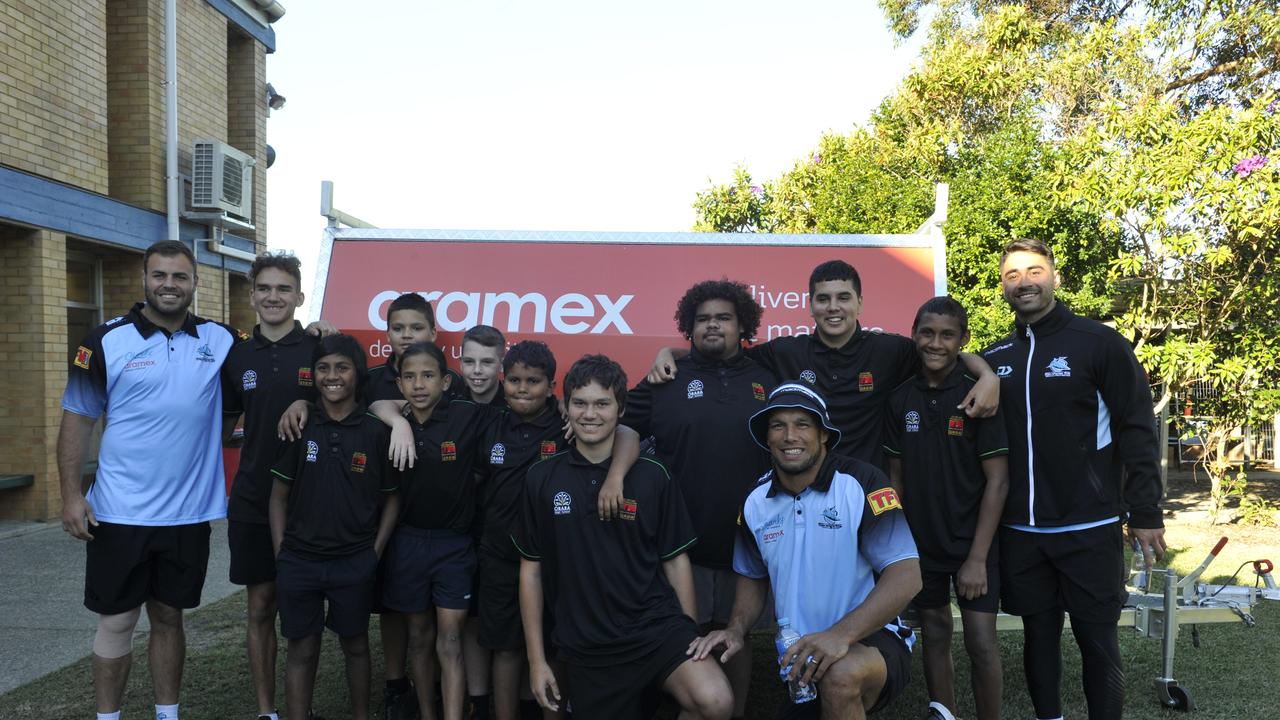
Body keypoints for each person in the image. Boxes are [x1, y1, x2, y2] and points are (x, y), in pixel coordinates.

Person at [982, 239, 1166, 720]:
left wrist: (1145, 512)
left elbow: (1138, 428)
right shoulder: (995, 357)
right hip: (1022, 531)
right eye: (1012, 275)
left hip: (1089, 525)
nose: (1024, 282)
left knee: (1096, 639)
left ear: (1055, 278)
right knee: (1038, 635)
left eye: (1035, 271)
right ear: (1003, 285)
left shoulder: (1098, 342)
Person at [58, 240, 243, 720]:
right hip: (119, 511)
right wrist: (71, 495)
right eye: (160, 275)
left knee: (168, 617)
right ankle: (107, 716)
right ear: (144, 279)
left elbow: (274, 352)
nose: (169, 285)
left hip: (188, 513)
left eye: (180, 277)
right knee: (117, 620)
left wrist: (321, 331)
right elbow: (76, 421)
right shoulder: (103, 341)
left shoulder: (221, 340)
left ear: (195, 282)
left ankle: (167, 714)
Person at [514, 355, 733, 720]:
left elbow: (675, 560)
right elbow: (530, 572)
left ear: (621, 409)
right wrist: (537, 661)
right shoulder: (542, 478)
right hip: (587, 642)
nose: (590, 414)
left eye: (602, 404)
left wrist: (689, 633)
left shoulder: (652, 475)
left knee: (715, 700)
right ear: (565, 408)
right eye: (580, 404)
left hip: (656, 630)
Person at [689, 383, 921, 720]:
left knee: (840, 679)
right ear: (766, 437)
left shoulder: (862, 482)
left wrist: (840, 636)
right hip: (800, 659)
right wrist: (736, 629)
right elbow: (752, 578)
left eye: (802, 424)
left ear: (823, 434)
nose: (789, 436)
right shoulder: (755, 501)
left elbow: (907, 576)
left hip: (871, 639)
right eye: (778, 426)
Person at [648, 261, 999, 467]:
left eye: (843, 298)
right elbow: (725, 353)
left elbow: (942, 352)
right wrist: (671, 352)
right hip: (804, 492)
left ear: (859, 303)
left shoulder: (890, 350)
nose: (834, 307)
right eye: (824, 298)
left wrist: (986, 375)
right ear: (811, 305)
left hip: (866, 493)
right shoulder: (786, 352)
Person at [620, 278, 774, 720]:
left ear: (742, 324)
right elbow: (626, 426)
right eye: (702, 318)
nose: (712, 325)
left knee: (734, 639)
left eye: (723, 318)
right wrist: (614, 474)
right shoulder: (665, 377)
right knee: (680, 640)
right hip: (676, 546)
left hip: (747, 543)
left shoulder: (767, 375)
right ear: (688, 326)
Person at [883, 297, 1009, 720]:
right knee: (935, 630)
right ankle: (945, 715)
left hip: (974, 543)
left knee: (980, 640)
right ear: (915, 334)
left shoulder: (978, 395)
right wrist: (903, 543)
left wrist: (976, 557)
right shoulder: (900, 398)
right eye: (927, 333)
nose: (935, 343)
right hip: (922, 544)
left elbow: (998, 479)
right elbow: (896, 478)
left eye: (947, 335)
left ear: (963, 341)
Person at [269, 333, 401, 720]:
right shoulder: (300, 423)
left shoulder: (376, 431)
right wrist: (281, 553)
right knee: (302, 648)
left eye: (341, 367)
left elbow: (392, 498)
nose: (332, 376)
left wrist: (373, 552)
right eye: (323, 368)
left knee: (356, 645)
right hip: (299, 560)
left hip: (354, 560)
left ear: (357, 374)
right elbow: (277, 495)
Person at [220, 252, 318, 720]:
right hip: (254, 499)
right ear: (253, 293)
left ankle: (300, 706)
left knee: (301, 612)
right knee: (260, 607)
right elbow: (221, 426)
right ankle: (266, 711)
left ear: (299, 296)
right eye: (264, 288)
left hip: (312, 500)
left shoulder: (320, 348)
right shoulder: (236, 355)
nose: (273, 297)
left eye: (283, 289)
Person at [473, 341, 571, 720]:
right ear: (503, 381)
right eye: (514, 380)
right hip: (498, 555)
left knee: (555, 644)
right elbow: (477, 480)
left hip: (554, 560)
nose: (522, 388)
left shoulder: (567, 427)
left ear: (551, 385)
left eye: (533, 380)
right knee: (505, 646)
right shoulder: (491, 424)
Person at [460, 324, 507, 407]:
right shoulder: (450, 406)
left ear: (502, 365)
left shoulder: (515, 409)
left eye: (487, 362)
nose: (477, 370)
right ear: (461, 364)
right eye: (469, 361)